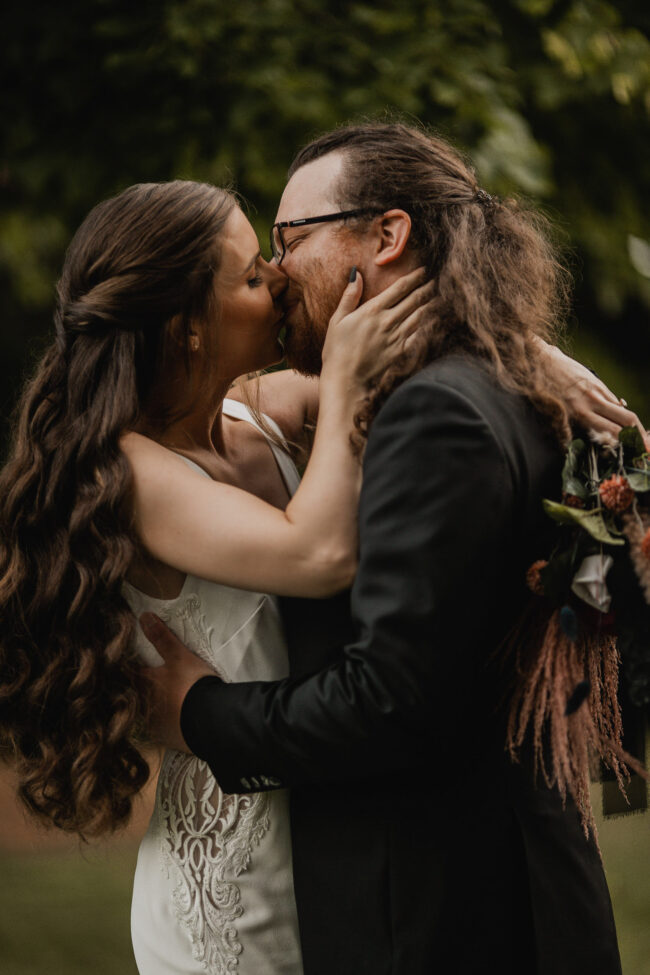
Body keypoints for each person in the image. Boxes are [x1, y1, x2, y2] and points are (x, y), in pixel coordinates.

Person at [141, 124, 645, 975]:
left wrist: (199, 712)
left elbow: (390, 700)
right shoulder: (488, 380)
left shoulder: (431, 409)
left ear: (386, 234)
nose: (275, 272)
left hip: (436, 917)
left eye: (289, 239)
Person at [0, 178, 437, 975]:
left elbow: (422, 347)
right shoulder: (132, 473)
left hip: (327, 851)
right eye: (247, 276)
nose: (276, 277)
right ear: (188, 330)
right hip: (231, 894)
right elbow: (318, 555)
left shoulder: (252, 414)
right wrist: (339, 386)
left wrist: (548, 364)